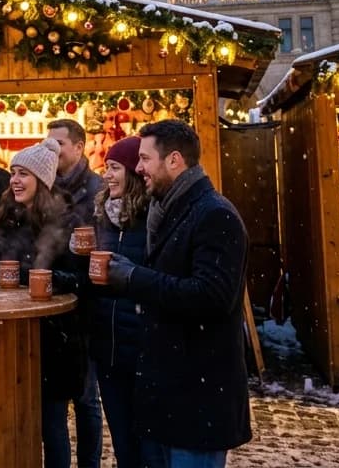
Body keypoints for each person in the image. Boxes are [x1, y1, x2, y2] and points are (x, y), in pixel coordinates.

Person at [102, 120, 251, 467]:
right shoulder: (168, 210)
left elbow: (211, 297)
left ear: (173, 161)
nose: (138, 169)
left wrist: (134, 277)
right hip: (166, 398)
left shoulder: (215, 215)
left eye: (144, 159)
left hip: (198, 402)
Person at [0, 138, 87, 468]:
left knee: (52, 425)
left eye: (23, 174)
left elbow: (80, 280)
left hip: (54, 339)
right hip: (8, 337)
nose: (15, 180)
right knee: (10, 424)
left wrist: (38, 278)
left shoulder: (67, 220)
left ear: (41, 180)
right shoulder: (3, 216)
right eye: (13, 172)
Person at [82, 136, 160, 468]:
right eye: (107, 167)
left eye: (115, 168)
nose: (108, 175)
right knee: (124, 444)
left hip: (144, 349)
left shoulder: (154, 218)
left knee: (150, 447)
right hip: (108, 348)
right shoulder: (102, 217)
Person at [46, 119, 103, 468]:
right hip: (53, 303)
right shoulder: (46, 185)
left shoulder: (97, 189)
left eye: (58, 144)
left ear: (79, 148)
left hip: (85, 304)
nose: (52, 150)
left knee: (86, 398)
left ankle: (90, 464)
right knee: (54, 398)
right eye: (48, 144)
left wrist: (73, 278)